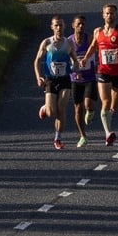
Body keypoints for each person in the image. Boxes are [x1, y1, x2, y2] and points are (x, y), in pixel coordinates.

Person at [80, 3, 118, 146]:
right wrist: (85, 58)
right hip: (103, 72)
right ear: (103, 15)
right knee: (106, 102)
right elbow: (92, 47)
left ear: (116, 15)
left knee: (114, 107)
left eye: (112, 13)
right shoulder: (98, 32)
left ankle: (107, 123)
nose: (110, 15)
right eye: (107, 13)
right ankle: (108, 133)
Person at [33, 16, 74, 150]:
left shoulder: (68, 43)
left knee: (61, 109)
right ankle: (45, 108)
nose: (58, 28)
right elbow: (37, 61)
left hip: (65, 79)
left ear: (64, 26)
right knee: (51, 113)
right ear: (52, 27)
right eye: (56, 25)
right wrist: (39, 77)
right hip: (50, 79)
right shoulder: (46, 43)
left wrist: (76, 69)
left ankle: (58, 138)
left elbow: (75, 60)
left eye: (61, 25)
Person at [67, 14, 97, 148]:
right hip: (75, 79)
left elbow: (98, 51)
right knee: (78, 109)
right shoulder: (68, 41)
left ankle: (91, 112)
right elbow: (66, 61)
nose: (81, 26)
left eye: (83, 24)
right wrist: (74, 71)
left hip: (90, 77)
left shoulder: (89, 38)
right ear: (73, 25)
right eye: (78, 24)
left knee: (88, 104)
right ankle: (83, 136)